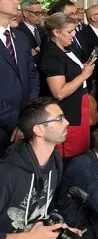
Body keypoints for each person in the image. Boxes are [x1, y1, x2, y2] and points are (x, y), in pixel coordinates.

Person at [0, 98, 75, 237]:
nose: (67, 122)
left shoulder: (55, 162)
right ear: (39, 130)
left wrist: (57, 228)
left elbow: (43, 209)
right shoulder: (6, 173)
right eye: (59, 119)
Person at [39, 13, 94, 160]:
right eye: (69, 32)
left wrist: (82, 69)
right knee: (70, 156)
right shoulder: (52, 55)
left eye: (74, 31)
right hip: (67, 112)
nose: (73, 35)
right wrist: (83, 75)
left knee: (81, 151)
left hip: (78, 109)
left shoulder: (66, 49)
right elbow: (59, 92)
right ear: (56, 32)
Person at [0, 0, 40, 157]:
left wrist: (27, 119)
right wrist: (16, 121)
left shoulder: (20, 38)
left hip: (24, 126)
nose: (17, 1)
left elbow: (32, 76)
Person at [17, 0, 47, 66]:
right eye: (37, 13)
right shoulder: (18, 32)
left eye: (41, 12)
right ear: (25, 14)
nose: (40, 16)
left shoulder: (42, 29)